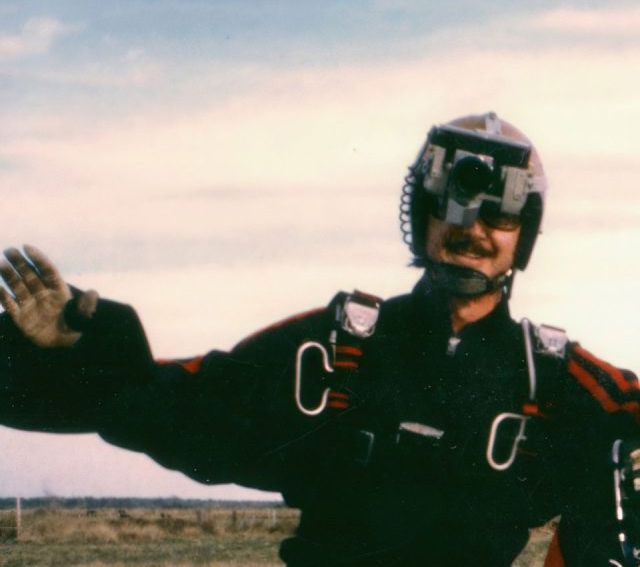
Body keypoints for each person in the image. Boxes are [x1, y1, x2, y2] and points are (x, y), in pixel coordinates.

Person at [0, 112, 639, 566]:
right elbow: (180, 403)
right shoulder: (336, 349)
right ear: (424, 216)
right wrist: (78, 348)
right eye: (454, 204)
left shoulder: (548, 381)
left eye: (499, 216)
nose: (473, 229)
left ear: (521, 237)